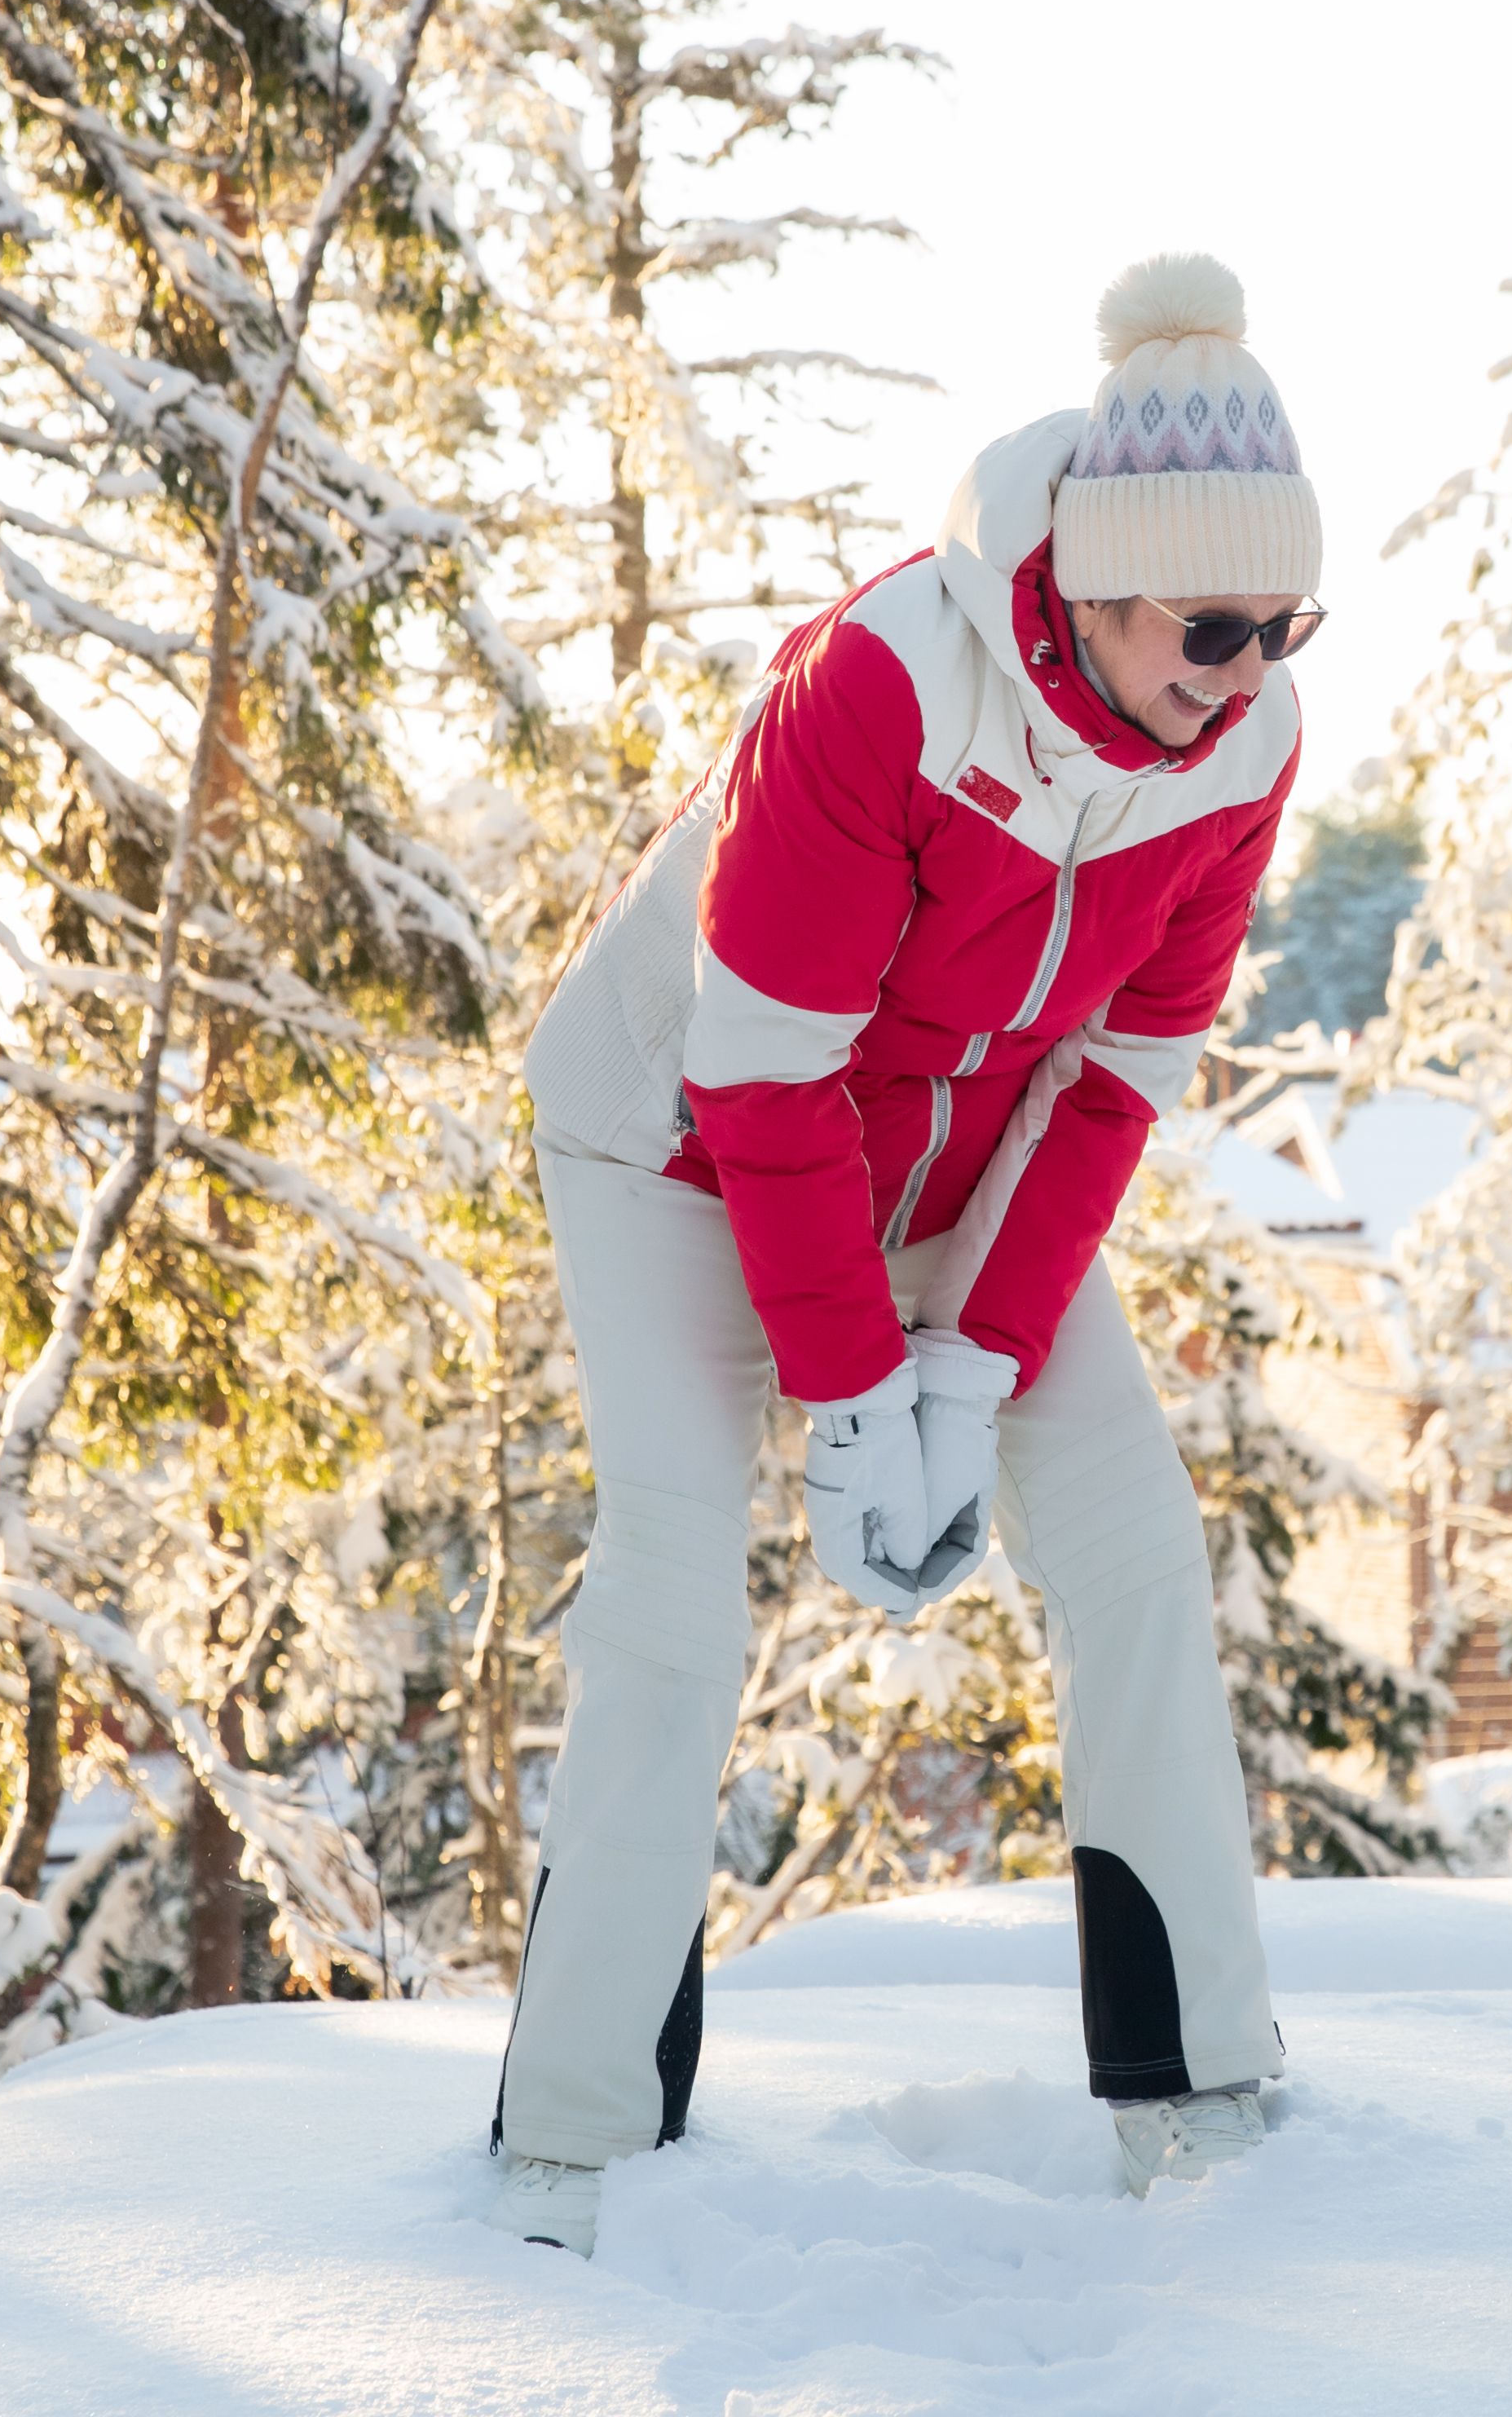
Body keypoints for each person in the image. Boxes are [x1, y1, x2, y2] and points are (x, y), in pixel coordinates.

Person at [492, 253, 1325, 2256]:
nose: (1247, 666)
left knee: (1130, 1546)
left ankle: (1200, 2093)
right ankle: (574, 2146)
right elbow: (766, 1079)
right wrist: (862, 1406)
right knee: (683, 1597)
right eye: (1211, 625)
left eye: (1285, 623)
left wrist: (974, 1364)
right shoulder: (876, 685)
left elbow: (1114, 1084)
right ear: (1094, 585)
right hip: (686, 1146)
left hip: (967, 1159)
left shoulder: (1239, 742)